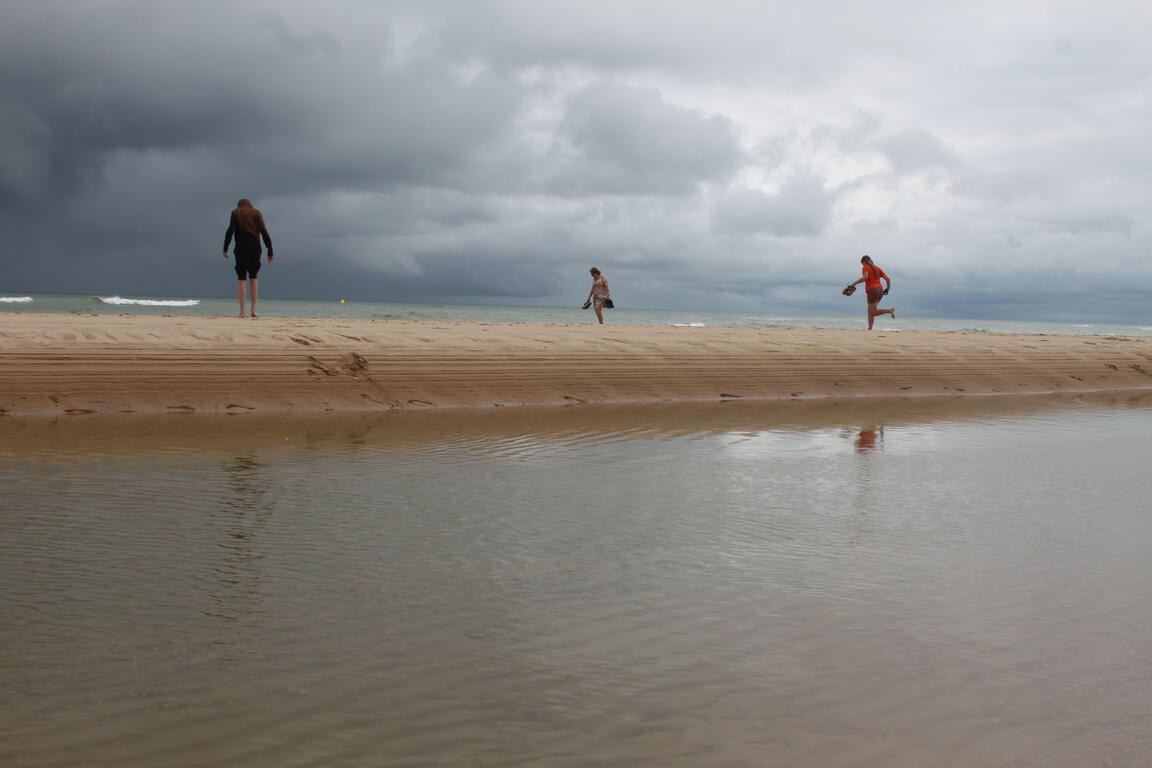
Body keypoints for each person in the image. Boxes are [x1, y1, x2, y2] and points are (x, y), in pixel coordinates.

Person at [223, 198, 273, 318]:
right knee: (253, 278)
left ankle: (241, 312)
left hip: (241, 248)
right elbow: (264, 232)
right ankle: (253, 311)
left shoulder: (236, 213)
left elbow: (230, 230)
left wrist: (225, 247)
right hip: (255, 248)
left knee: (241, 279)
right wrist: (270, 250)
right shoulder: (257, 213)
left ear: (239, 206)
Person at [846, 255, 894, 330]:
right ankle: (870, 329)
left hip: (873, 291)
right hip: (880, 290)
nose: (862, 265)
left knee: (872, 312)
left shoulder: (865, 267)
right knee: (870, 311)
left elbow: (865, 277)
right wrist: (887, 289)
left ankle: (889, 310)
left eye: (862, 263)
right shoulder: (877, 268)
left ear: (863, 262)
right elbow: (888, 279)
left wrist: (854, 283)